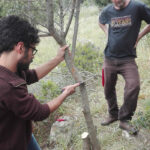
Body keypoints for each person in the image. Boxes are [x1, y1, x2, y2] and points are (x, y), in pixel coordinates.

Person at [0, 15, 80, 150]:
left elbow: (32, 75)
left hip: (23, 136)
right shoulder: (6, 86)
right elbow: (40, 112)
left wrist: (57, 59)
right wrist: (65, 93)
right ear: (20, 47)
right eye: (32, 50)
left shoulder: (10, 69)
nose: (33, 55)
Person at [99, 0, 150, 134]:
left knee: (134, 86)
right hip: (109, 58)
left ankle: (124, 119)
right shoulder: (108, 10)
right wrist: (107, 33)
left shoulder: (138, 7)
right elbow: (101, 21)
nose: (117, 2)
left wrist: (138, 36)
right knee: (108, 88)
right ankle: (113, 114)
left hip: (128, 59)